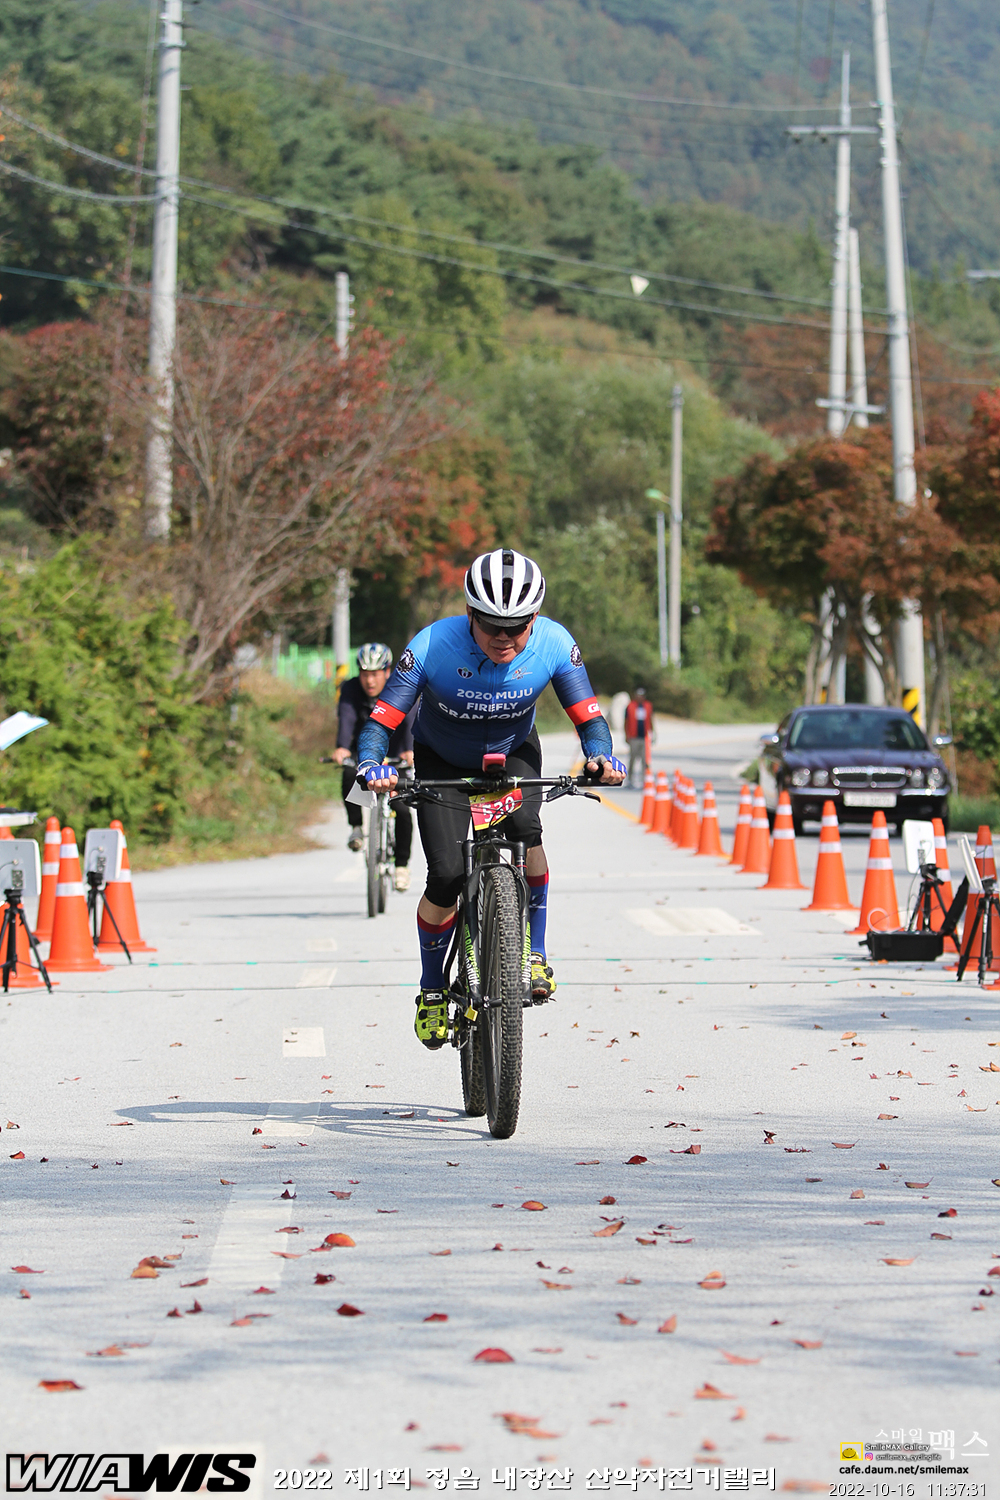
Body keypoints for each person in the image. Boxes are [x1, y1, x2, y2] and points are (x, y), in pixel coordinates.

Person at [356, 547, 626, 1049]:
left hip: (512, 753)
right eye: (491, 625)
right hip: (441, 759)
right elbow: (381, 722)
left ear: (534, 619)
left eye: (517, 626)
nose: (504, 637)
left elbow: (590, 719)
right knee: (446, 875)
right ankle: (432, 988)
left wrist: (600, 757)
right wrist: (372, 763)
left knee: (526, 831)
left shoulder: (554, 643)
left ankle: (534, 953)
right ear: (469, 614)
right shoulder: (433, 645)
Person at [332, 642, 415, 891]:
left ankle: (401, 866)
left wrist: (410, 749)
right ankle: (356, 827)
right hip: (364, 756)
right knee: (349, 773)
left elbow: (410, 718)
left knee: (402, 810)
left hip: (396, 755)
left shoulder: (399, 687)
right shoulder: (350, 689)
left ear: (387, 672)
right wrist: (342, 747)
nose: (369, 681)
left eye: (375, 674)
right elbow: (346, 718)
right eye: (365, 674)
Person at [624, 687, 655, 788]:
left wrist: (653, 733)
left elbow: (651, 719)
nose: (640, 697)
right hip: (634, 736)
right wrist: (626, 735)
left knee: (645, 760)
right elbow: (626, 721)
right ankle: (630, 779)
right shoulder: (630, 706)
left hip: (644, 737)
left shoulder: (648, 706)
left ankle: (645, 779)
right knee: (632, 759)